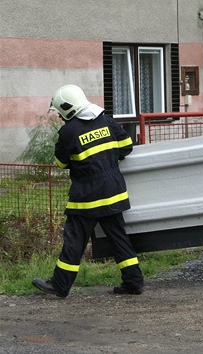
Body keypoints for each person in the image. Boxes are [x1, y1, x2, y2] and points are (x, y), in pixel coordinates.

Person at [32, 84, 144, 298]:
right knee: (119, 238)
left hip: (87, 198)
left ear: (66, 108)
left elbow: (61, 163)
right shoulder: (106, 120)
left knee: (74, 241)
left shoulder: (68, 131)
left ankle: (60, 284)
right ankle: (133, 281)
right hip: (114, 191)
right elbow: (127, 146)